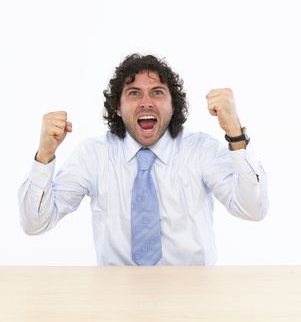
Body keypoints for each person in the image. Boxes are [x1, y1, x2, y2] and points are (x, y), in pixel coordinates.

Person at [18, 53, 268, 265]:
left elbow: (252, 209)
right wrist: (45, 154)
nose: (146, 103)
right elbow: (35, 223)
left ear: (173, 105)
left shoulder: (200, 150)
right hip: (116, 298)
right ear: (117, 107)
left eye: (157, 92)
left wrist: (235, 131)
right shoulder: (93, 155)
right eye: (134, 93)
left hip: (194, 295)